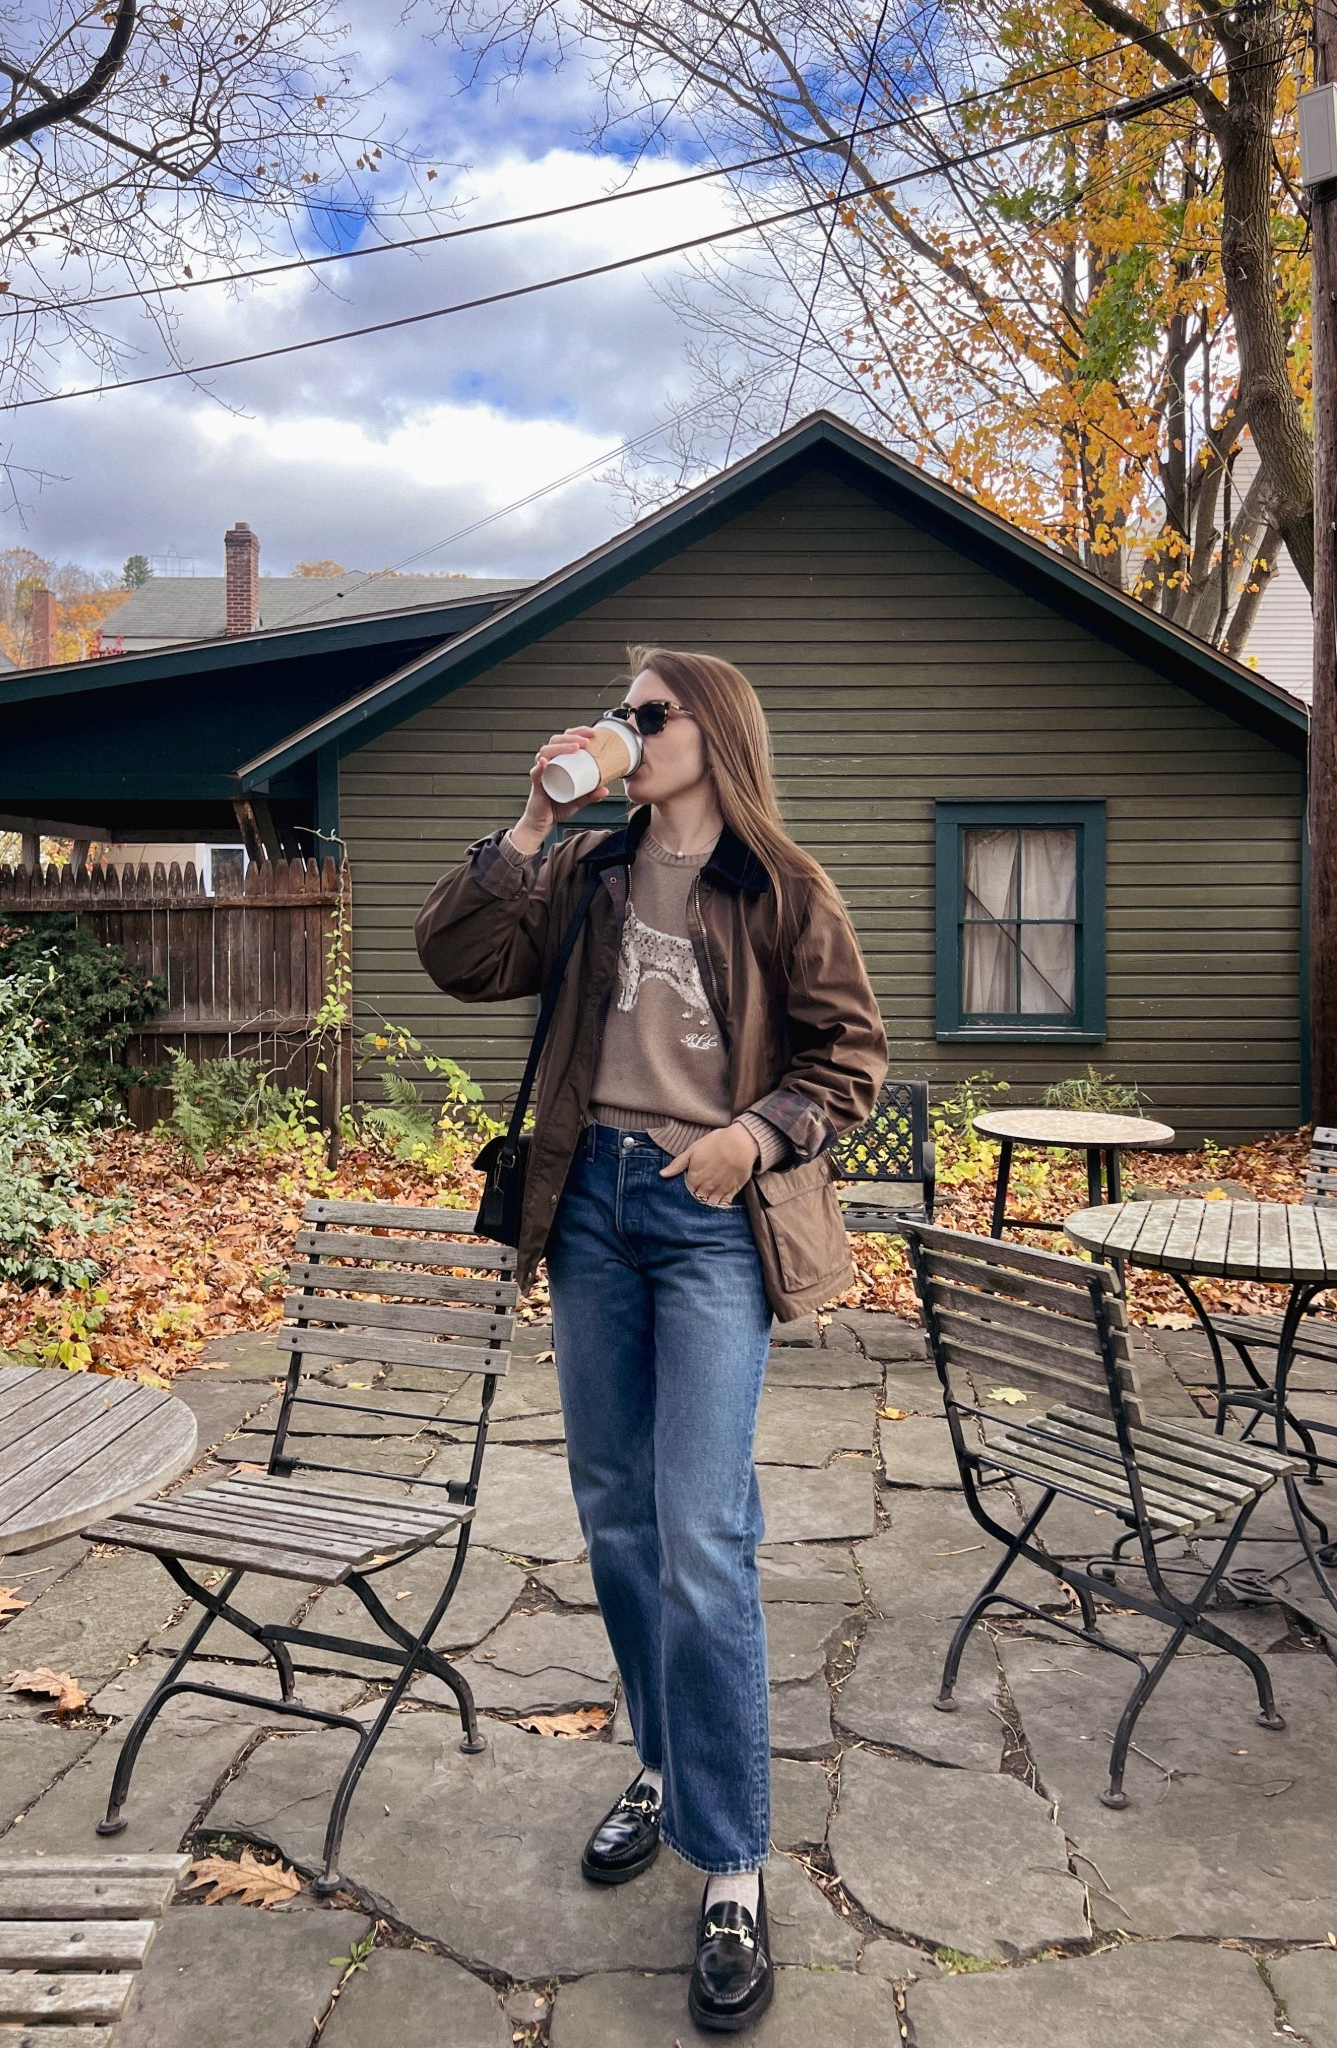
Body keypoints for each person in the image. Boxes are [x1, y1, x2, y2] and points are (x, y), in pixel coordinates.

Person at [415, 647, 886, 2033]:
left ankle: (731, 1862)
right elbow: (457, 961)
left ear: (712, 730)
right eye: (620, 712)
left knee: (701, 1534)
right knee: (616, 1519)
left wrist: (755, 1135)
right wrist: (531, 824)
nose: (626, 729)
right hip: (593, 1210)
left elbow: (849, 1057)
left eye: (647, 713)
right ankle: (666, 1769)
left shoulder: (784, 886)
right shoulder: (590, 874)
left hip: (705, 1220)